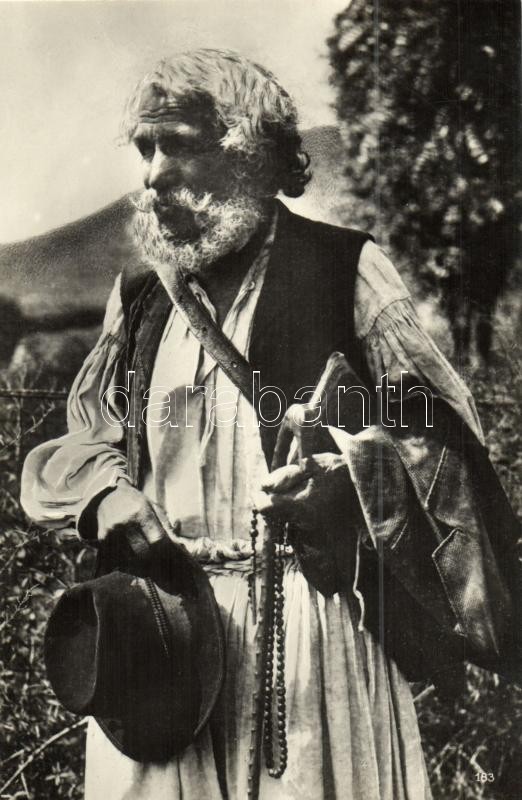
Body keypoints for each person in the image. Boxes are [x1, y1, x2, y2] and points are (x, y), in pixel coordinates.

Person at [21, 48, 515, 800]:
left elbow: (440, 436)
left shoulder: (344, 268)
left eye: (179, 145)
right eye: (145, 149)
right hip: (159, 639)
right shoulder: (143, 301)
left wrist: (347, 480)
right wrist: (106, 496)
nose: (153, 175)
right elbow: (79, 437)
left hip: (310, 637)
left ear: (250, 153)